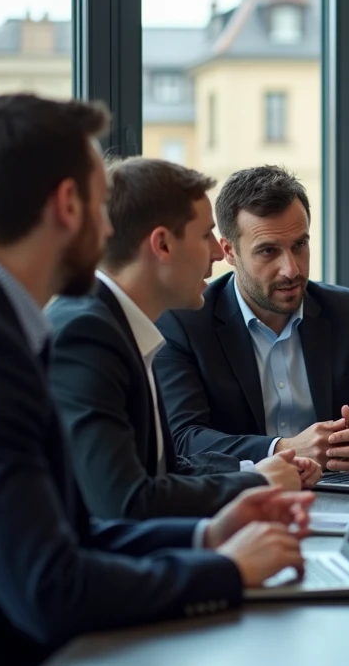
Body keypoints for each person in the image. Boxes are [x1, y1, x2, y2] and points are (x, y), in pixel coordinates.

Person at [0, 94, 315, 666]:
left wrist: (208, 536)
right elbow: (51, 588)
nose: (108, 232)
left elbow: (73, 535)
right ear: (68, 206)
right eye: (102, 205)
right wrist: (228, 569)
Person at [47, 158, 322, 521]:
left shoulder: (115, 323)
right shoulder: (87, 334)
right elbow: (124, 503)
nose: (217, 253)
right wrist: (254, 483)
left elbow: (163, 469)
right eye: (205, 235)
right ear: (162, 245)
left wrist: (256, 471)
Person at [155, 165, 349, 469]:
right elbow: (183, 439)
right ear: (229, 251)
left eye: (299, 245)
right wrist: (282, 449)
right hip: (245, 492)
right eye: (268, 251)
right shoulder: (184, 323)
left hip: (340, 487)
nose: (291, 269)